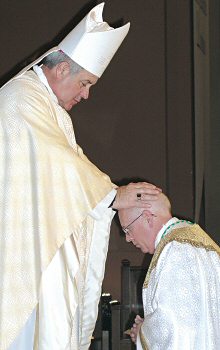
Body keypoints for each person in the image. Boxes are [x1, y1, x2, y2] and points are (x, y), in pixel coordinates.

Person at [0, 3, 161, 350]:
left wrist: (109, 194)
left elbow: (72, 167)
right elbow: (59, 163)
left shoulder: (49, 109)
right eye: (85, 82)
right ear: (61, 71)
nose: (86, 94)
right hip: (25, 256)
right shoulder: (21, 99)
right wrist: (112, 195)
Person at [119, 192, 220, 349]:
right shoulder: (208, 247)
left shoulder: (174, 250)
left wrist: (141, 332)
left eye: (127, 229)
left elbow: (173, 326)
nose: (128, 238)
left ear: (147, 217)